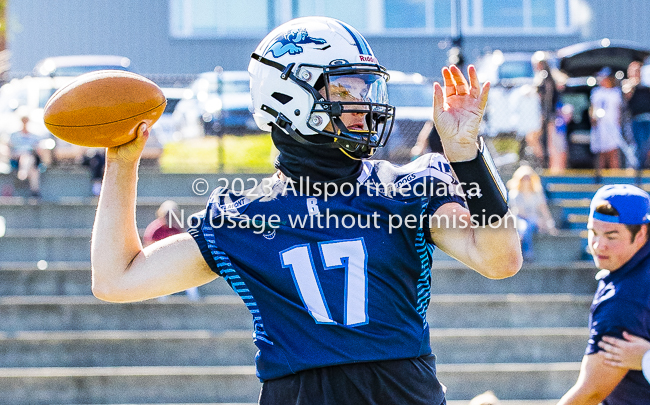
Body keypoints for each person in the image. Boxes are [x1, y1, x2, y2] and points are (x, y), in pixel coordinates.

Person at [90, 17, 522, 405]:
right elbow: (116, 279)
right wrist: (121, 163)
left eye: (364, 88)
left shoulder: (405, 187)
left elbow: (499, 259)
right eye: (344, 88)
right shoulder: (244, 216)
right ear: (288, 97)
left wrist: (467, 157)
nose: (363, 105)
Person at [557, 184, 650, 404]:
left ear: (641, 234)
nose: (598, 245)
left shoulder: (623, 299)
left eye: (611, 236)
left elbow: (590, 393)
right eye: (593, 232)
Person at [143, 200, 200, 301]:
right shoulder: (155, 229)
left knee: (188, 270)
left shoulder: (176, 228)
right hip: (158, 260)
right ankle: (161, 298)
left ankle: (194, 297)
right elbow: (148, 248)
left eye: (172, 216)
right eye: (167, 215)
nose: (170, 218)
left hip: (174, 259)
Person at [506, 165, 557, 260]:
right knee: (524, 227)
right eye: (524, 178)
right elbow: (520, 212)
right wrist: (536, 219)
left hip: (534, 219)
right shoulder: (515, 194)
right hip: (519, 218)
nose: (526, 181)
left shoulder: (537, 194)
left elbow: (544, 210)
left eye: (528, 178)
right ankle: (527, 253)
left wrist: (550, 224)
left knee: (531, 226)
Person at [589, 67, 624, 170]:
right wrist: (593, 120)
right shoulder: (596, 92)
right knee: (601, 153)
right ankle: (600, 179)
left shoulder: (616, 92)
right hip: (600, 126)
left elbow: (619, 111)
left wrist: (618, 124)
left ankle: (615, 178)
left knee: (613, 152)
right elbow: (592, 108)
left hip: (612, 126)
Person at [622, 60, 650, 169]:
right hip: (635, 120)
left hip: (648, 118)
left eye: (638, 70)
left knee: (647, 146)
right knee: (636, 146)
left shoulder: (646, 83)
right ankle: (636, 168)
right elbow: (627, 96)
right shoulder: (628, 84)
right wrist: (633, 82)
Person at [8, 114, 43, 197]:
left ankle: (23, 172)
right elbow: (11, 150)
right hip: (17, 160)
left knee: (29, 160)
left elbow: (37, 150)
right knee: (33, 169)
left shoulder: (34, 136)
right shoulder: (14, 135)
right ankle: (35, 192)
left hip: (31, 159)